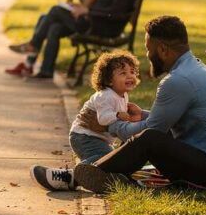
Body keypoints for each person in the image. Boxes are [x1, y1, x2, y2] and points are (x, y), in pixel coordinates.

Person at [72, 16, 206, 193]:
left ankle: (96, 172)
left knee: (151, 138)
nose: (148, 56)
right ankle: (99, 172)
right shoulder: (195, 69)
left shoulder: (178, 80)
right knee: (153, 134)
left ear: (163, 50)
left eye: (149, 49)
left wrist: (112, 125)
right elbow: (166, 122)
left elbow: (151, 133)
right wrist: (141, 115)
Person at [31, 51, 141, 190]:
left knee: (112, 161)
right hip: (84, 137)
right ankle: (68, 177)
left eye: (132, 71)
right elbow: (103, 119)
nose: (130, 76)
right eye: (123, 73)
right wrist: (119, 115)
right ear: (108, 80)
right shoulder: (105, 96)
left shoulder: (122, 95)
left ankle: (113, 181)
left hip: (98, 139)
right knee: (105, 159)